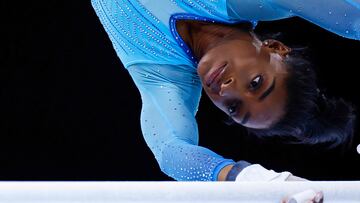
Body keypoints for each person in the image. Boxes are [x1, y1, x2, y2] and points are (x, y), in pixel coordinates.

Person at [91, 0, 359, 181]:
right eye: (255, 83)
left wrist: (242, 177)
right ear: (276, 48)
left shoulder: (162, 74)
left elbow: (170, 150)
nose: (229, 90)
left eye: (234, 107)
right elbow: (353, 17)